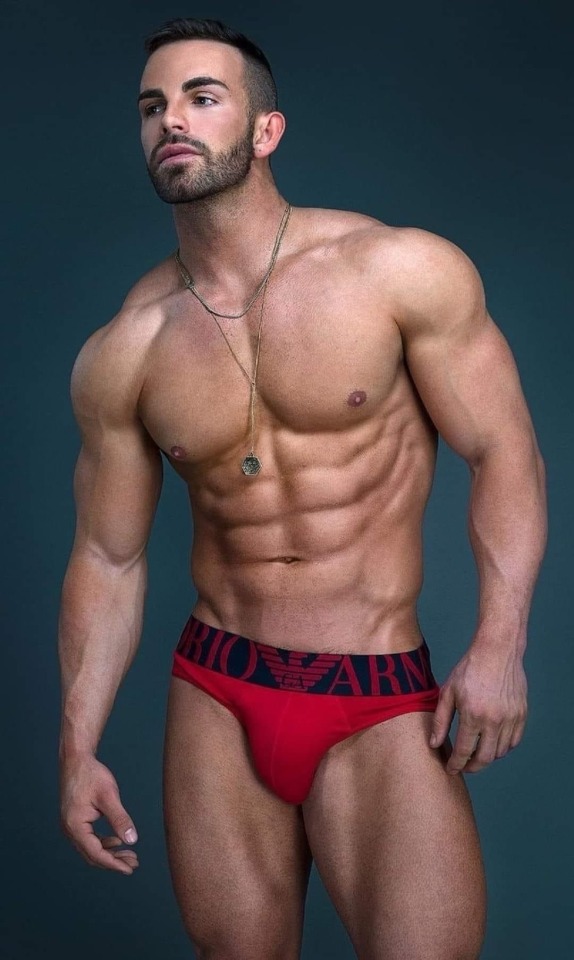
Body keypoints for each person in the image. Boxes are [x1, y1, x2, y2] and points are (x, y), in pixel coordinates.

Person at [58, 16, 547, 960]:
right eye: (153, 106)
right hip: (218, 687)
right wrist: (77, 748)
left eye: (202, 97)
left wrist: (501, 644)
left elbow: (505, 452)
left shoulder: (397, 271)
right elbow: (107, 556)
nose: (172, 120)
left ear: (266, 129)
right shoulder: (127, 347)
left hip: (378, 690)